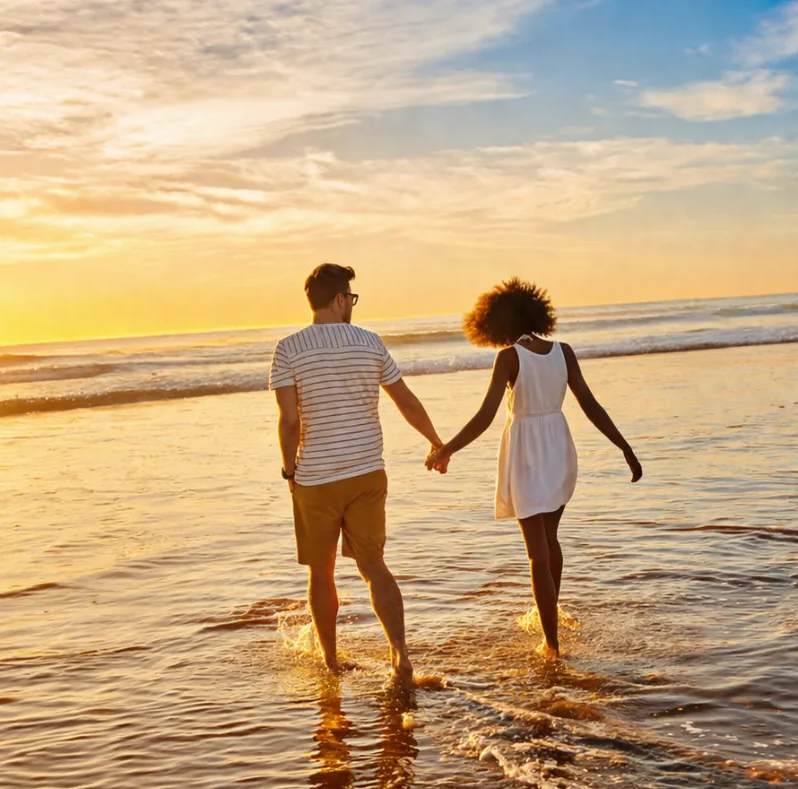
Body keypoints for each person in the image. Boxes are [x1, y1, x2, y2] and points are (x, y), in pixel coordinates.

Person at [425, 278, 641, 658]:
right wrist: (624, 446)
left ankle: (551, 644)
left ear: (495, 321)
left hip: (526, 452)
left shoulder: (509, 357)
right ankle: (551, 618)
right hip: (558, 446)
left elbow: (486, 415)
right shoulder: (563, 352)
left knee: (536, 553)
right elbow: (591, 405)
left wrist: (447, 449)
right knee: (550, 541)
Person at [271, 263, 442, 679]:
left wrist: (289, 471)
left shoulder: (288, 349)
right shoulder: (369, 342)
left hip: (316, 479)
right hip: (367, 473)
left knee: (321, 573)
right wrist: (436, 442)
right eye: (351, 297)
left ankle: (330, 661)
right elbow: (405, 400)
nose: (351, 304)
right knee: (374, 567)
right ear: (339, 299)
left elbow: (290, 421)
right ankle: (400, 655)